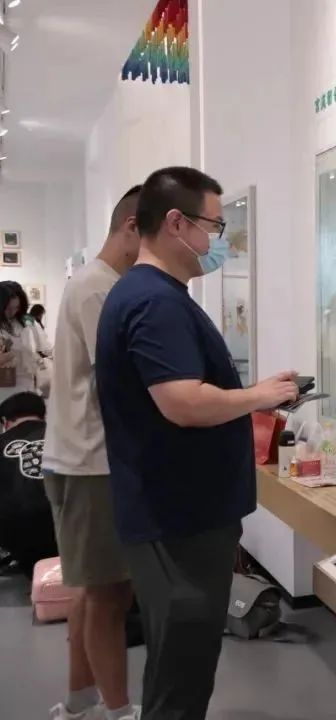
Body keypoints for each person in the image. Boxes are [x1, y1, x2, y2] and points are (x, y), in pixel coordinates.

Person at [95, 167, 298, 720]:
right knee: (181, 675)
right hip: (177, 522)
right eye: (214, 225)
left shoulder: (156, 296)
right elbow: (182, 402)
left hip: (179, 515)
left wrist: (256, 393)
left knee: (180, 665)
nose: (217, 240)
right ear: (176, 223)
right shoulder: (154, 301)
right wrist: (257, 397)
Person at [43, 186, 143, 720]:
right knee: (110, 593)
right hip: (92, 462)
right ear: (132, 227)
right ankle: (118, 710)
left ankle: (80, 701)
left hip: (82, 459)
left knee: (91, 588)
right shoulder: (100, 289)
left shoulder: (98, 285)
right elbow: (119, 386)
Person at [0, 391, 56, 579]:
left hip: (15, 533)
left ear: (5, 422)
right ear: (43, 415)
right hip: (67, 529)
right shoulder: (63, 436)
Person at [0, 281, 36, 402]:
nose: (12, 312)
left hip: (25, 384)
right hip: (4, 386)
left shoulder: (22, 323)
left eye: (16, 308)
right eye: (8, 308)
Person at [28, 304, 53, 397]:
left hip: (36, 353)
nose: (42, 316)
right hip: (36, 353)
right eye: (42, 314)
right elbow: (40, 342)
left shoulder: (33, 323)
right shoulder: (33, 324)